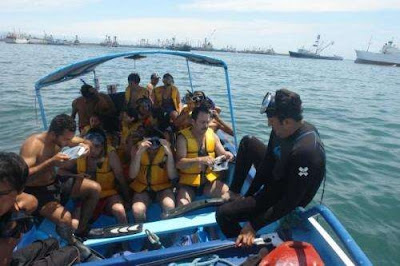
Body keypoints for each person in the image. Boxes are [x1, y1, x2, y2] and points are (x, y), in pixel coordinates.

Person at [216, 89, 326, 247]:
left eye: (272, 121)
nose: (269, 124)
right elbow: (267, 163)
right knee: (248, 142)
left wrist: (254, 225)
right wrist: (249, 196)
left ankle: (249, 250)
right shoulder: (281, 130)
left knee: (223, 214)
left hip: (283, 194)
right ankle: (235, 192)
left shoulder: (306, 152)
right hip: (278, 172)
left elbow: (291, 200)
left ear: (287, 121)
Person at [20, 114, 101, 239]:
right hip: (37, 191)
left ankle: (81, 230)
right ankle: (71, 243)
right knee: (65, 218)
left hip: (56, 183)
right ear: (53, 134)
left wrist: (85, 145)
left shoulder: (63, 138)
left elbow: (80, 140)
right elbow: (22, 176)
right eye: (66, 140)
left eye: (70, 139)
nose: (68, 143)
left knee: (95, 188)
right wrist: (51, 162)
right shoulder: (33, 145)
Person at [60, 128, 130, 224]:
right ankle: (79, 234)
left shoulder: (110, 155)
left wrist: (127, 199)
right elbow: (61, 171)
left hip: (107, 194)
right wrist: (75, 175)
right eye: (90, 146)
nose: (93, 150)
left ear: (103, 146)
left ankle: (126, 237)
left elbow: (120, 178)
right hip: (86, 197)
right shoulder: (79, 153)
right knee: (75, 223)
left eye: (97, 146)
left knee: (120, 211)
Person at [175, 106, 234, 206]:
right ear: (193, 122)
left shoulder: (213, 135)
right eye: (202, 122)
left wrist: (228, 155)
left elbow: (222, 153)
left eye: (207, 122)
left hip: (209, 183)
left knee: (229, 195)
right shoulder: (182, 138)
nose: (206, 125)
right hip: (188, 185)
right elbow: (179, 164)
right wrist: (199, 160)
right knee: (182, 204)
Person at [0, 152, 39, 265]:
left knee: (54, 245)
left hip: (11, 260)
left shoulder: (17, 207)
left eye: (1, 194)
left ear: (20, 190)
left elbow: (31, 202)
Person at [129, 134, 177, 223]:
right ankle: (143, 236)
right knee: (137, 210)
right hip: (143, 189)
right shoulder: (137, 149)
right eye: (150, 141)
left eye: (156, 142)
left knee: (169, 206)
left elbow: (172, 176)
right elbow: (132, 175)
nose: (153, 145)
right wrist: (139, 153)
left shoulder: (166, 150)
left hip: (163, 189)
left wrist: (169, 154)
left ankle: (169, 236)